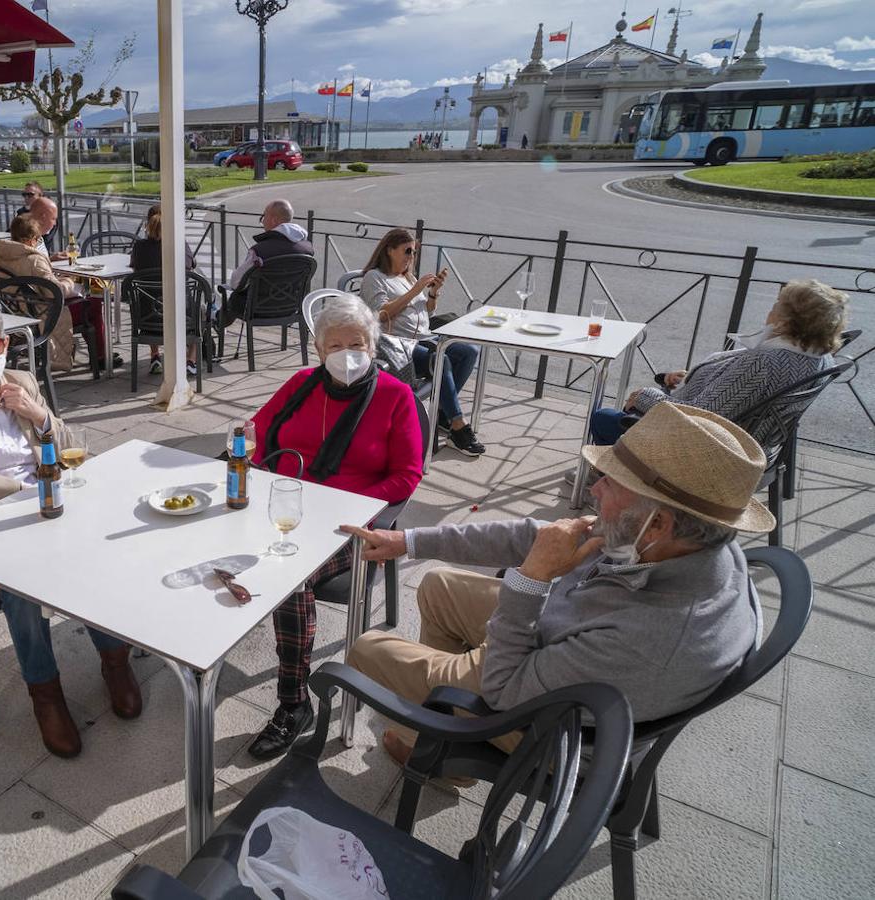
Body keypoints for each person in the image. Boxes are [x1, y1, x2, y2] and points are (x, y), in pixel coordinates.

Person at [343, 401, 772, 766]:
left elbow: (504, 689)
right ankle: (432, 737)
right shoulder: (675, 542)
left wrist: (532, 580)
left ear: (657, 523)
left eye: (613, 481)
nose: (595, 487)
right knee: (438, 587)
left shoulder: (652, 637)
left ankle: (443, 738)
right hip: (559, 645)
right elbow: (531, 537)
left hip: (547, 726)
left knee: (367, 649)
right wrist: (411, 540)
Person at [0, 301, 142, 757]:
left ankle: (114, 662)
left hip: (47, 501)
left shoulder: (22, 382)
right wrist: (26, 488)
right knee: (21, 588)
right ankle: (45, 695)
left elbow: (70, 447)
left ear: (6, 343)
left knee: (100, 553)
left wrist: (37, 415)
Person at [243, 293, 424, 760]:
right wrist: (251, 460)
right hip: (284, 505)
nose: (349, 353)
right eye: (336, 344)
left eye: (358, 342)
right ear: (320, 350)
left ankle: (293, 703)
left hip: (350, 521)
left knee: (292, 576)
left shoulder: (394, 395)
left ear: (373, 344)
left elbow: (407, 475)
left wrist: (346, 507)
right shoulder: (302, 382)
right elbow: (258, 433)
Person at [584, 279, 848, 450]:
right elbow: (737, 394)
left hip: (709, 450)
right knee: (635, 406)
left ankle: (617, 485)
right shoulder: (820, 358)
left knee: (604, 418)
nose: (769, 312)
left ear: (787, 321)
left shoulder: (765, 362)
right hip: (751, 442)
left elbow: (697, 419)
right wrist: (698, 378)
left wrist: (645, 396)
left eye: (776, 306)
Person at [360, 227, 484, 456]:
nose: (411, 257)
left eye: (414, 252)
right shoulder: (375, 277)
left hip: (423, 337)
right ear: (389, 250)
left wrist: (433, 294)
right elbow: (380, 314)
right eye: (407, 251)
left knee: (470, 351)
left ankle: (443, 415)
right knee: (441, 359)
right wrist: (415, 289)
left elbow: (425, 310)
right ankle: (457, 425)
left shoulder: (407, 277)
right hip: (393, 344)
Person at [28, 196, 117, 368]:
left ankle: (99, 353)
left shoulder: (18, 248)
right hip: (46, 311)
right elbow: (50, 287)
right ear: (43, 216)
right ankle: (100, 357)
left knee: (90, 291)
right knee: (94, 302)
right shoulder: (34, 247)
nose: (55, 223)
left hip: (27, 305)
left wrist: (51, 259)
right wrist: (70, 282)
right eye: (54, 218)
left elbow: (37, 270)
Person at [0, 214, 80, 373]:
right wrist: (70, 281)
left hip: (15, 312)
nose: (38, 242)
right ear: (30, 239)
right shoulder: (34, 260)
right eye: (38, 239)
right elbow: (54, 292)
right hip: (41, 315)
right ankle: (101, 360)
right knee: (90, 306)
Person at [219, 199, 313, 328]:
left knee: (233, 298)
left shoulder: (259, 251)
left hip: (258, 310)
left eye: (263, 216)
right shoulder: (307, 250)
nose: (262, 221)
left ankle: (214, 323)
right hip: (292, 307)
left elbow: (236, 283)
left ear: (274, 220)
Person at [129, 204, 199, 376]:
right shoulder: (179, 245)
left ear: (148, 223)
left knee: (151, 299)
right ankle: (191, 361)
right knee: (200, 311)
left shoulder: (139, 247)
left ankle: (155, 356)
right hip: (181, 320)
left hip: (148, 320)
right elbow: (192, 264)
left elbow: (133, 266)